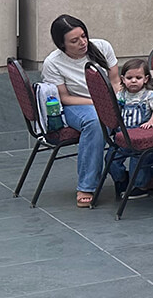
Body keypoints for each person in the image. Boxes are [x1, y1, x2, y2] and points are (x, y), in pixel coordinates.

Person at [41, 15, 120, 208]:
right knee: (95, 122)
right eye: (74, 41)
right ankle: (87, 186)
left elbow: (115, 80)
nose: (82, 43)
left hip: (111, 100)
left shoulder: (102, 46)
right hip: (76, 105)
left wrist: (116, 100)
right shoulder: (53, 62)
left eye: (84, 36)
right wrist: (98, 103)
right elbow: (65, 97)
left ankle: (149, 177)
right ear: (62, 44)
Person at [108, 58, 153, 197]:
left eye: (138, 78)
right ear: (123, 79)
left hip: (140, 131)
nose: (133, 81)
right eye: (129, 78)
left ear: (146, 79)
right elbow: (116, 109)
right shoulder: (121, 94)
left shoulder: (148, 94)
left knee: (138, 157)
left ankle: (140, 186)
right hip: (124, 133)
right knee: (111, 158)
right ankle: (122, 179)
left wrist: (151, 121)